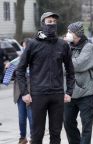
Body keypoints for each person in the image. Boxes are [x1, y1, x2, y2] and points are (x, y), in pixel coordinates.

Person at [16, 12, 75, 144]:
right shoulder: (32, 44)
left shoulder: (63, 45)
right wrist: (24, 92)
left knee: (56, 134)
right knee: (37, 135)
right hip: (38, 95)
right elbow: (20, 69)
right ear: (43, 23)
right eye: (49, 21)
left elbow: (71, 71)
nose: (52, 24)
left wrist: (69, 91)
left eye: (54, 22)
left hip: (57, 95)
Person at [63, 22, 93, 144]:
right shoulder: (66, 46)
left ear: (77, 33)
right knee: (68, 122)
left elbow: (78, 64)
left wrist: (63, 62)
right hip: (69, 92)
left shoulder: (88, 47)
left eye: (70, 31)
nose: (68, 34)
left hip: (86, 91)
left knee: (86, 125)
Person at [13, 39, 33, 144]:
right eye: (23, 46)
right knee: (21, 117)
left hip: (31, 93)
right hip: (20, 93)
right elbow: (10, 77)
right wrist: (9, 68)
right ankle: (22, 137)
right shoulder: (17, 60)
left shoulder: (35, 59)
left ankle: (33, 138)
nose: (24, 48)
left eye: (25, 46)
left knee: (31, 117)